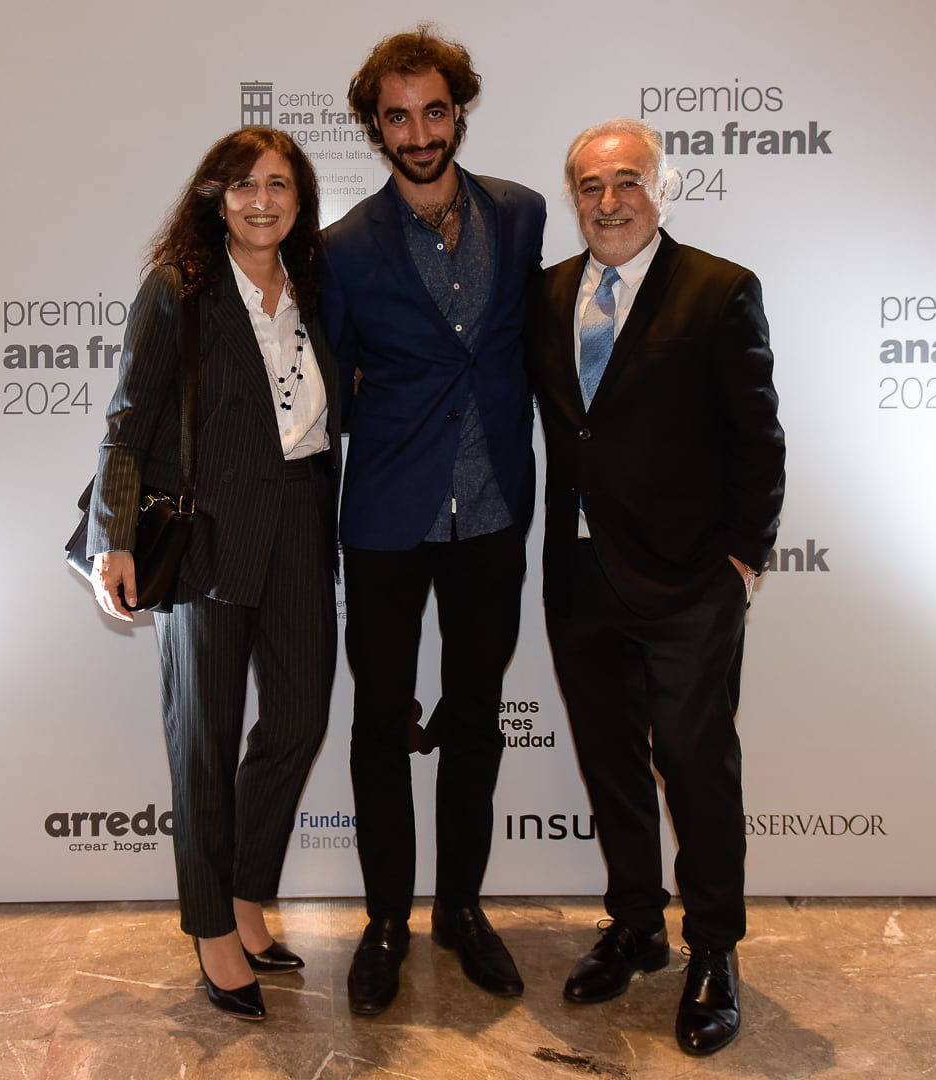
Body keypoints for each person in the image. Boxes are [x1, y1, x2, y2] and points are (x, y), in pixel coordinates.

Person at [530, 118, 785, 1056]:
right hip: (580, 574)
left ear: (662, 188)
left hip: (688, 583)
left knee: (697, 767)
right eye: (590, 187)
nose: (608, 202)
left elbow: (758, 439)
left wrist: (741, 559)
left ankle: (712, 951)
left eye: (627, 182)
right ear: (574, 198)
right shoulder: (549, 293)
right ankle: (635, 924)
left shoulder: (720, 290)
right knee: (610, 763)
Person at [87, 127, 340, 1021]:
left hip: (307, 520)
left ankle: (245, 891)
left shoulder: (317, 284)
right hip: (206, 537)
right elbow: (127, 422)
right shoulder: (178, 291)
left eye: (278, 184)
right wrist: (111, 535)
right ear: (213, 198)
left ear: (301, 198)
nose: (260, 200)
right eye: (241, 186)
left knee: (302, 717)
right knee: (203, 739)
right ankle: (210, 925)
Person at [320, 25, 546, 1016]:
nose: (418, 132)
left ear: (460, 110)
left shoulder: (527, 215)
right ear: (377, 125)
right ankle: (382, 922)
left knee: (477, 718)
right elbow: (325, 387)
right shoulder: (340, 250)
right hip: (384, 520)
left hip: (495, 507)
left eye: (435, 110)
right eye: (398, 115)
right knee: (377, 726)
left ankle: (460, 909)